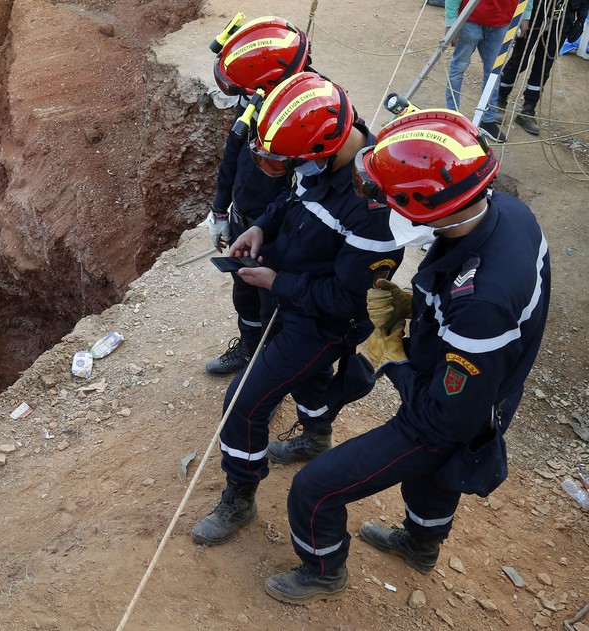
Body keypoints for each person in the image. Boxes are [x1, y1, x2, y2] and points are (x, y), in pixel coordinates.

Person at [264, 109, 551, 605]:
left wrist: (393, 351)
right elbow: (470, 305)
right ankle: (421, 545)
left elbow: (445, 418)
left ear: (434, 206)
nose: (382, 206)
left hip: (452, 408)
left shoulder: (481, 300)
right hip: (486, 383)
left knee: (315, 489)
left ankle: (323, 569)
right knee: (436, 479)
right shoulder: (506, 213)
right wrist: (418, 306)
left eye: (392, 198)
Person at [190, 72, 404, 546]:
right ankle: (316, 434)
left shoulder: (374, 211)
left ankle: (239, 499)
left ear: (319, 151)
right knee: (309, 379)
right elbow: (291, 199)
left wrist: (276, 282)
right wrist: (262, 229)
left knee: (242, 405)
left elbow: (347, 300)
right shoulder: (322, 157)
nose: (285, 170)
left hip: (323, 322)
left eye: (288, 162)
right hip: (292, 297)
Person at [204, 16, 310, 375]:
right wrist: (220, 210)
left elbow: (307, 192)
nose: (243, 98)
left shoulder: (311, 111)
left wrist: (266, 227)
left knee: (273, 308)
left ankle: (265, 371)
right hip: (245, 221)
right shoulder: (258, 94)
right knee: (245, 295)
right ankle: (248, 350)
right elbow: (234, 150)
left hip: (280, 232)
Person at [444, 0, 532, 142]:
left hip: (502, 23)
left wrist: (525, 14)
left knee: (494, 73)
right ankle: (452, 116)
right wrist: (451, 21)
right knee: (458, 68)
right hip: (471, 19)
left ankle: (488, 119)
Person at [496, 0, 589, 135]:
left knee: (543, 67)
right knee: (519, 61)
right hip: (535, 15)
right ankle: (499, 100)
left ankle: (527, 110)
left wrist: (580, 20)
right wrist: (524, 16)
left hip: (560, 22)